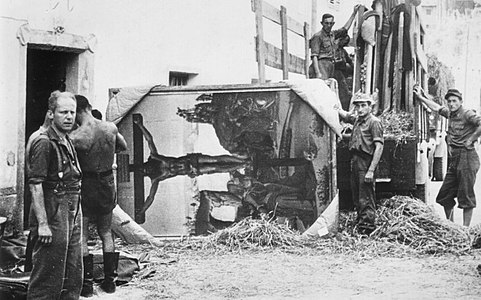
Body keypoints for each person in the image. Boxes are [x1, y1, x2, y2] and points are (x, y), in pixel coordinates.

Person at [26, 91, 83, 299]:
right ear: (51, 114)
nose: (69, 117)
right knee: (48, 276)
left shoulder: (66, 139)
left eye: (72, 112)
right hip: (53, 211)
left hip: (72, 209)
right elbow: (35, 185)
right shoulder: (44, 142)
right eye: (63, 112)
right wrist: (42, 224)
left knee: (73, 272)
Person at [133, 119, 250, 218]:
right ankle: (243, 165)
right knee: (215, 167)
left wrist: (140, 125)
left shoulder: (155, 158)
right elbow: (150, 197)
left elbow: (149, 139)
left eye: (144, 168)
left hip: (191, 160)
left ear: (144, 164)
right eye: (144, 172)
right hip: (191, 170)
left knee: (215, 159)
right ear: (145, 175)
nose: (146, 170)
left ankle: (242, 161)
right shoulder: (156, 178)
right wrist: (142, 211)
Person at [70, 95, 127, 296]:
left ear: (76, 111)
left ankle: (86, 286)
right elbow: (123, 146)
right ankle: (110, 282)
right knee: (105, 232)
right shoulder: (110, 128)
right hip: (107, 181)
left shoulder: (76, 136)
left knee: (83, 236)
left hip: (87, 183)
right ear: (90, 107)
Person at [414, 86, 481, 227]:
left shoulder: (467, 114)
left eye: (454, 101)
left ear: (460, 101)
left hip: (467, 157)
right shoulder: (450, 113)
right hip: (455, 158)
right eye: (449, 101)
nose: (451, 104)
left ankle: (465, 230)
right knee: (444, 196)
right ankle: (452, 227)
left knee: (466, 195)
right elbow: (436, 107)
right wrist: (421, 98)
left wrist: (471, 139)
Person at [336, 92, 384, 234]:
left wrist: (370, 170)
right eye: (358, 106)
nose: (360, 109)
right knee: (357, 196)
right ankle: (361, 224)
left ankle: (367, 229)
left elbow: (379, 147)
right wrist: (335, 108)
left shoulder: (374, 122)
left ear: (370, 107)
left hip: (366, 161)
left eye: (364, 105)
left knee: (366, 197)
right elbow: (346, 116)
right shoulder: (358, 120)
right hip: (355, 161)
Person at [309, 5, 361, 80]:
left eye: (331, 23)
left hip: (330, 65)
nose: (329, 25)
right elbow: (314, 56)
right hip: (321, 65)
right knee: (322, 87)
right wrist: (318, 73)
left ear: (333, 23)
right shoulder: (317, 36)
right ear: (322, 23)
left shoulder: (332, 34)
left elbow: (345, 29)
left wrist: (353, 14)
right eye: (326, 23)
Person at [333, 35, 355, 110]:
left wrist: (354, 68)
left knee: (345, 94)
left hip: (341, 73)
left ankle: (344, 111)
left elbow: (349, 61)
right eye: (344, 42)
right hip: (334, 72)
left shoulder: (343, 51)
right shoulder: (334, 49)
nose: (344, 44)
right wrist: (341, 62)